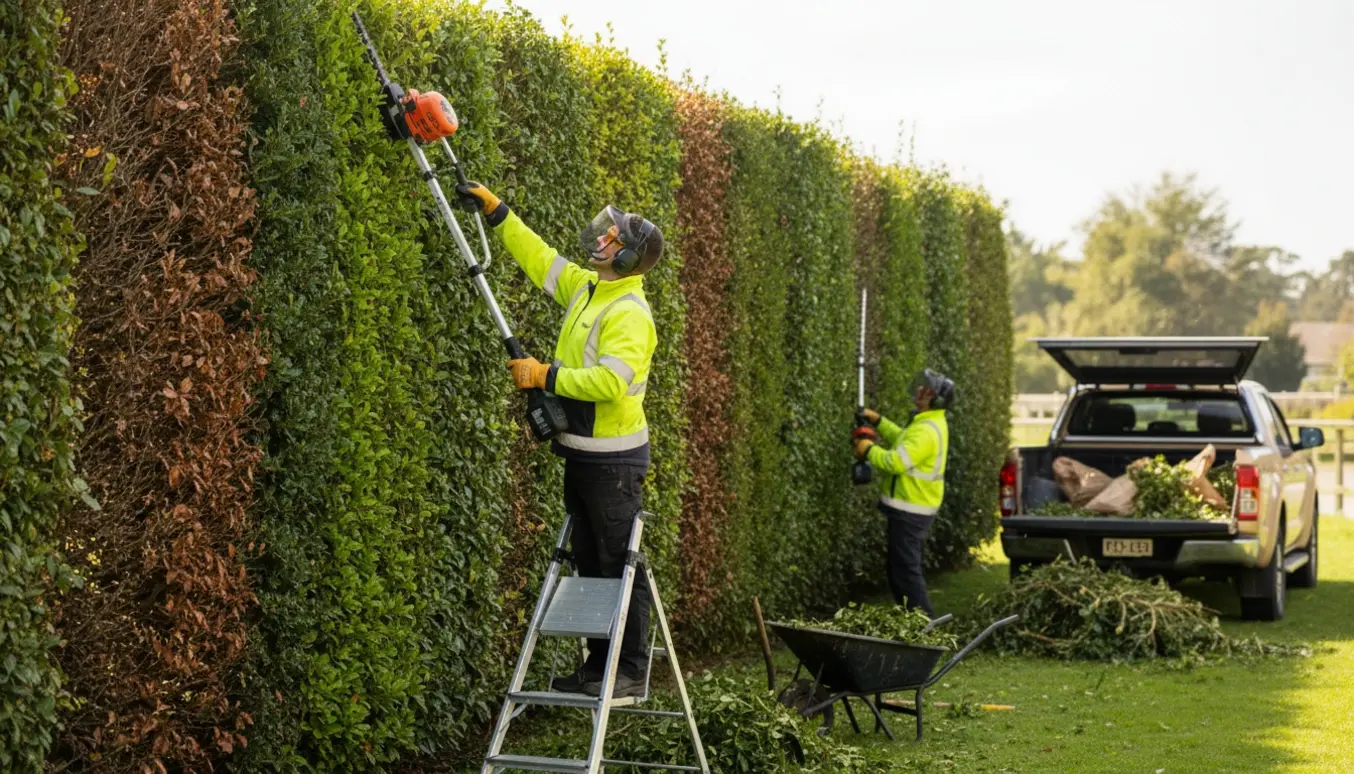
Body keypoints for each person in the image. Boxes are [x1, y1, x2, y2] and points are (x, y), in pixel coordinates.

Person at [456, 182, 662, 698]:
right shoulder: (591, 288)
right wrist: (499, 213)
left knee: (619, 565)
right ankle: (599, 669)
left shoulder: (629, 314)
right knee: (590, 564)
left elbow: (610, 384)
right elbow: (541, 260)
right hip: (582, 454)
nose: (602, 241)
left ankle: (630, 672)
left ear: (631, 256)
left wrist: (545, 375)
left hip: (615, 463)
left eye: (613, 239)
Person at [851, 368, 955, 616]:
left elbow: (895, 462)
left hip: (911, 509)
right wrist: (879, 421)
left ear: (937, 400)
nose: (919, 392)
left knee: (906, 572)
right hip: (911, 508)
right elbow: (902, 439)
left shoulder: (926, 430)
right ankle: (912, 622)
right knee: (900, 569)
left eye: (926, 392)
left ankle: (924, 627)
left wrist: (867, 449)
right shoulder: (926, 423)